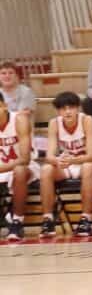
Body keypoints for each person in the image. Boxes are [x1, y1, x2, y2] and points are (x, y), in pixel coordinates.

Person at [39, 92, 92, 238]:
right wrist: (57, 161)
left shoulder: (87, 120)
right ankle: (48, 219)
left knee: (87, 167)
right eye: (63, 108)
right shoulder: (54, 123)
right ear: (58, 111)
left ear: (78, 108)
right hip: (68, 163)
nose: (67, 112)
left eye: (71, 107)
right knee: (46, 169)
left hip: (88, 162)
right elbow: (49, 155)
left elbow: (91, 156)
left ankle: (86, 219)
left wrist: (71, 161)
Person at [0, 96, 37, 242]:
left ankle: (17, 221)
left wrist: (3, 168)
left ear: (3, 105)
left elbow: (24, 159)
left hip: (26, 166)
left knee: (19, 171)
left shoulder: (19, 120)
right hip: (2, 168)